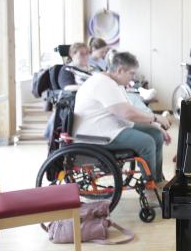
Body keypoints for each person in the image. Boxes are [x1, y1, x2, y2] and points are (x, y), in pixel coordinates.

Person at [72, 51, 172, 185]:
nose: (133, 77)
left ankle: (158, 180)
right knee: (146, 142)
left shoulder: (114, 83)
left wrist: (154, 125)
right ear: (120, 70)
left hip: (110, 126)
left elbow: (131, 110)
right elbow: (127, 114)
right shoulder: (102, 83)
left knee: (156, 134)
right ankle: (151, 184)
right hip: (95, 134)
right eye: (131, 73)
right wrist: (155, 118)